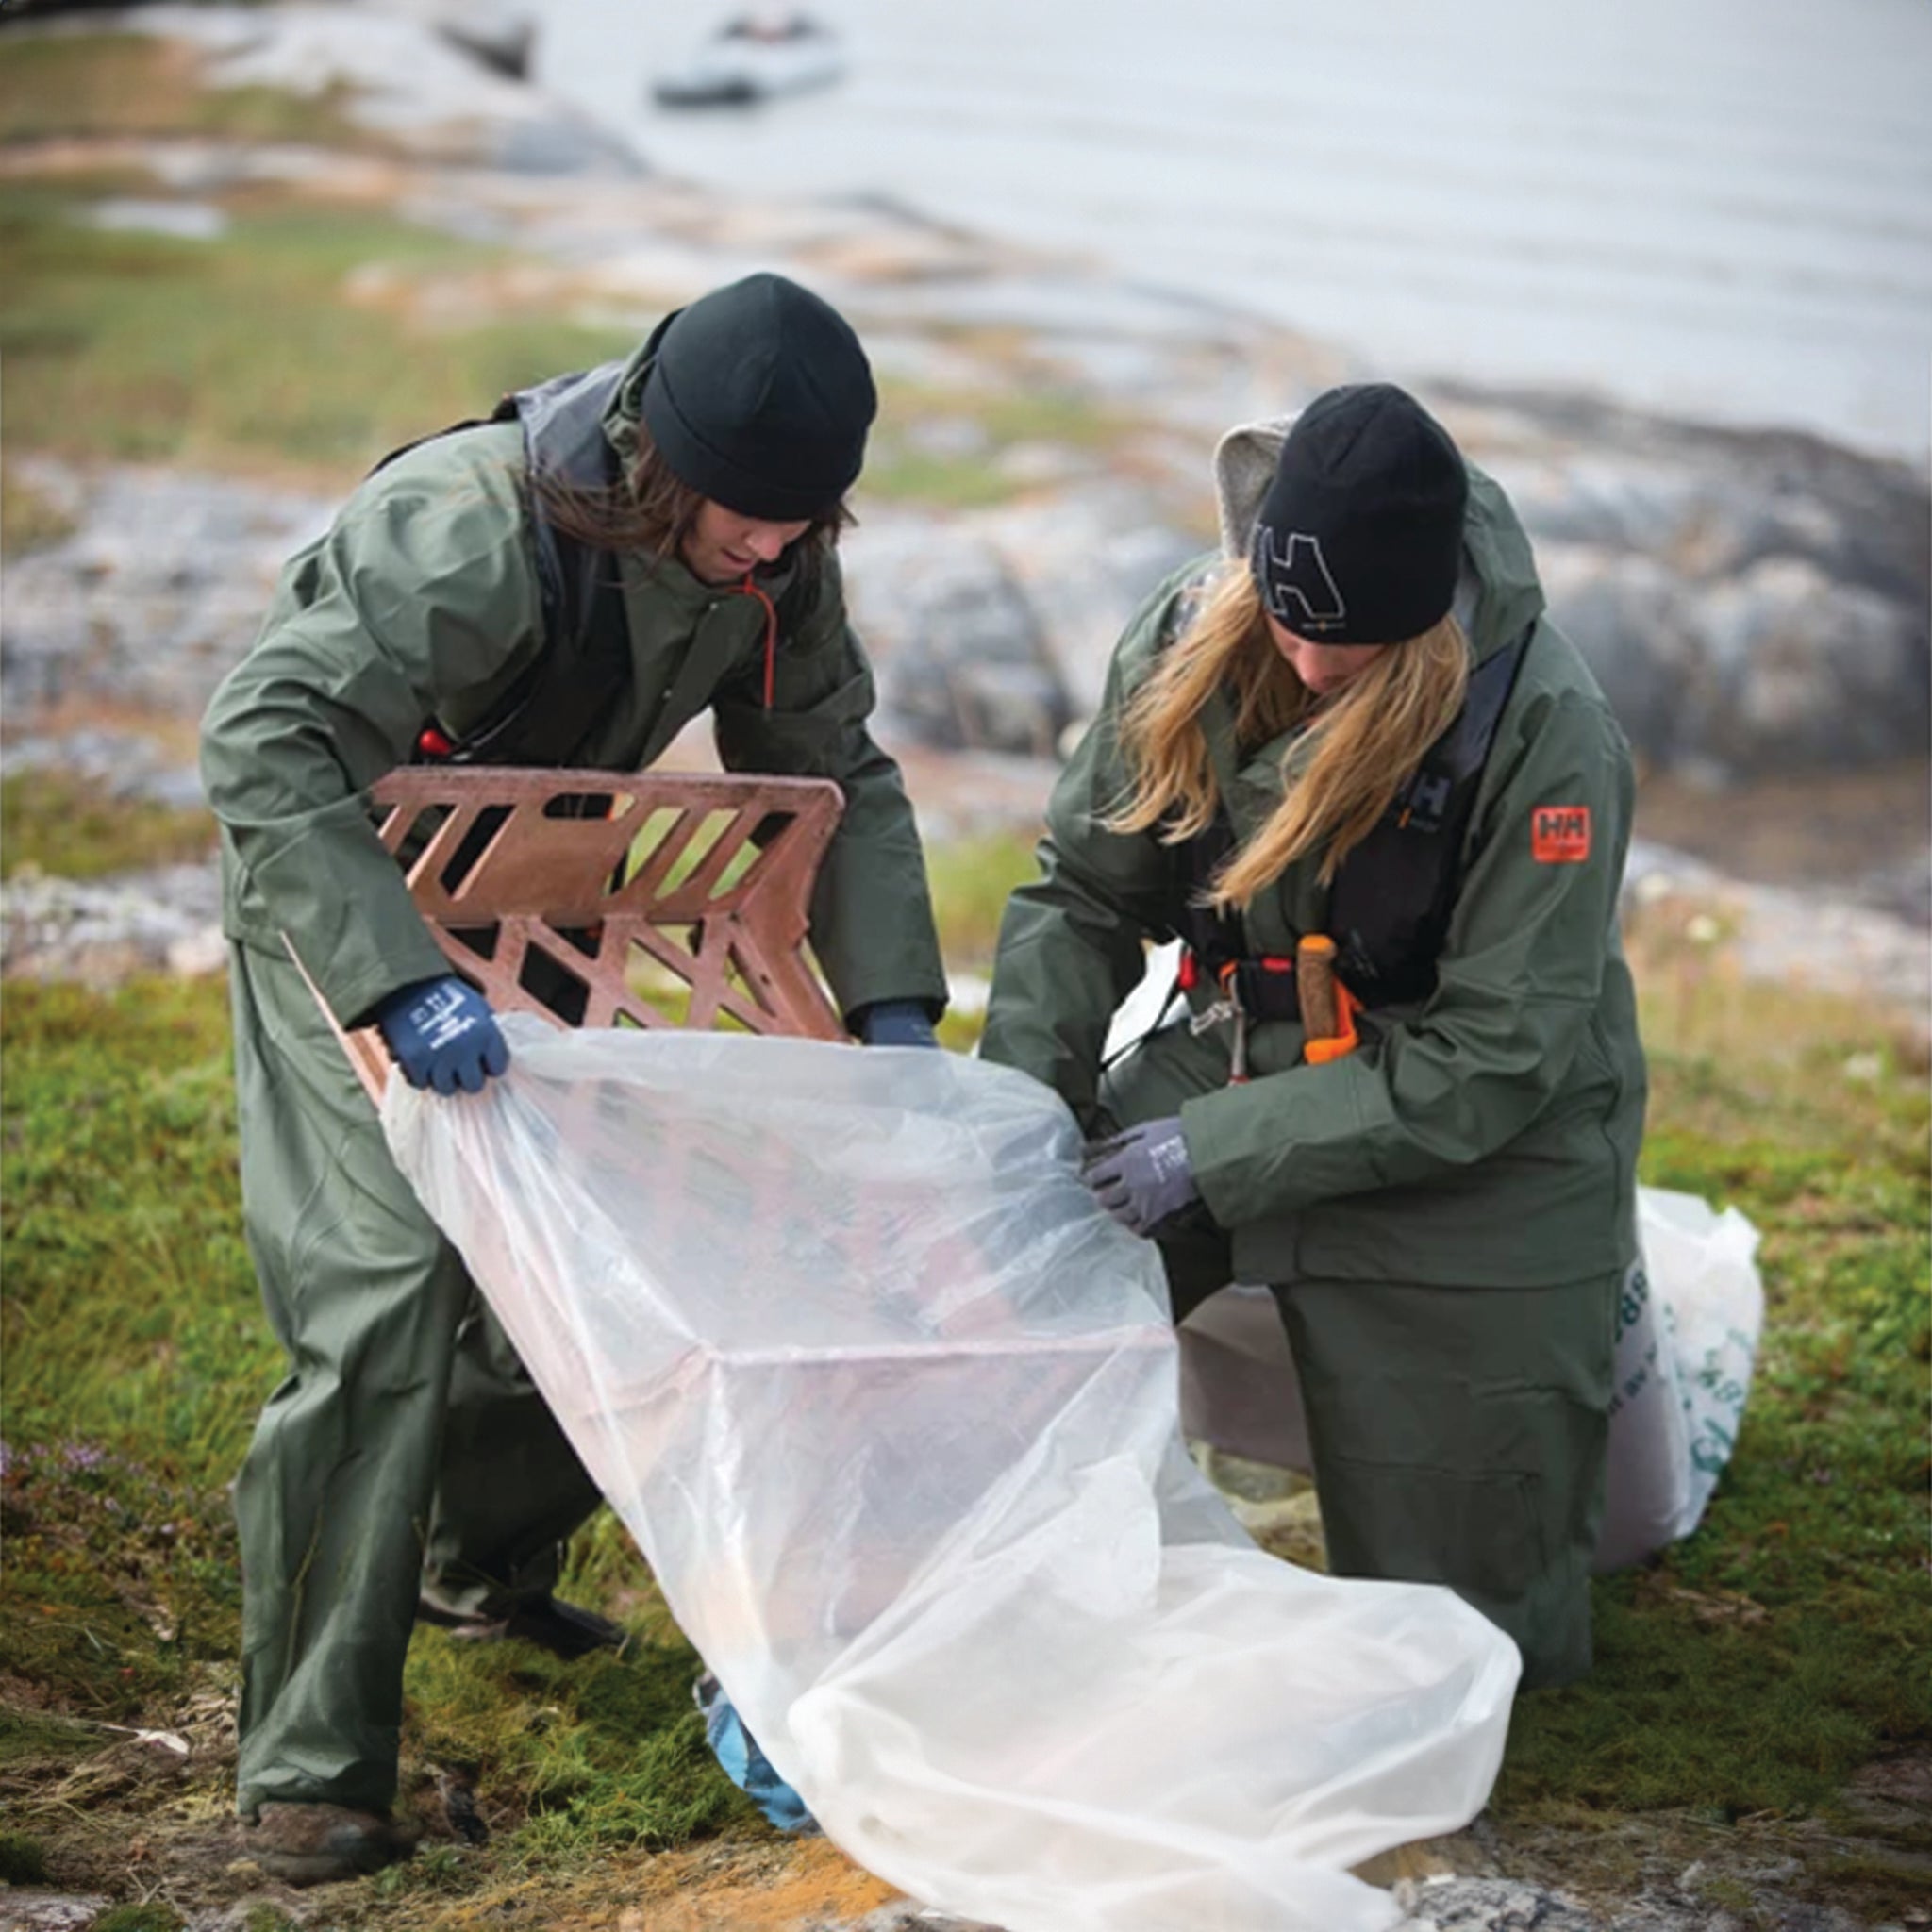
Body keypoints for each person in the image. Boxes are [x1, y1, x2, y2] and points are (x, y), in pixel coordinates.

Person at [200, 273, 947, 1883]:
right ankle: (308, 1765)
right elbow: (261, 738)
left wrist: (893, 1010)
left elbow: (829, 761)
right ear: (666, 475)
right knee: (390, 1291)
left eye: (805, 527)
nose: (776, 553)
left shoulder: (776, 556)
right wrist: (397, 981)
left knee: (611, 1242)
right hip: (346, 894)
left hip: (536, 890)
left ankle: (475, 1569)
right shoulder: (469, 531)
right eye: (750, 524)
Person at [979, 383, 1646, 1690]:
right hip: (1241, 1043)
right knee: (1008, 1300)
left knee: (1467, 1653)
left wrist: (1208, 1154)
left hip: (1478, 1138)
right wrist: (1015, 1121)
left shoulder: (1547, 731)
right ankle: (978, 1596)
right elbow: (1086, 896)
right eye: (1287, 623)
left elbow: (1498, 1057)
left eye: (1350, 648)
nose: (1308, 666)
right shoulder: (1193, 631)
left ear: (1428, 621)